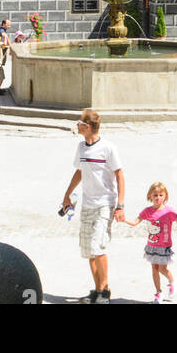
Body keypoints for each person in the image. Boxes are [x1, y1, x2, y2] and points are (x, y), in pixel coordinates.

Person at [61, 109, 125, 305]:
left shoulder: (108, 148)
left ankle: (104, 292)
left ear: (87, 127)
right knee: (89, 251)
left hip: (105, 204)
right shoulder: (81, 147)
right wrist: (67, 195)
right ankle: (97, 290)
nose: (77, 126)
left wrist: (120, 204)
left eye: (79, 123)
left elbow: (120, 176)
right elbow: (79, 172)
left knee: (98, 247)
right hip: (87, 204)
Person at [123, 181, 177, 303]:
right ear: (150, 196)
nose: (158, 198)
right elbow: (135, 222)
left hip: (164, 246)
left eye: (161, 195)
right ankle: (158, 292)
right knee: (154, 268)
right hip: (152, 246)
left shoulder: (169, 211)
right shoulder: (147, 211)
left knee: (162, 269)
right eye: (155, 195)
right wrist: (123, 219)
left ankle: (172, 281)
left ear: (165, 196)